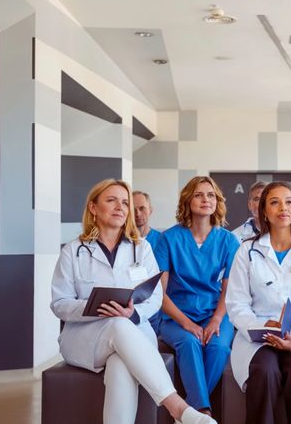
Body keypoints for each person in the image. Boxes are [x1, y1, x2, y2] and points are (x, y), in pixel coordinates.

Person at [50, 179, 216, 424]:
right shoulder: (73, 251)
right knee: (117, 324)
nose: (121, 207)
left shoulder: (142, 248)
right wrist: (96, 309)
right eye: (111, 200)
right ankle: (178, 409)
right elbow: (59, 303)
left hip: (135, 331)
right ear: (93, 208)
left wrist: (132, 313)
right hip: (84, 338)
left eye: (125, 202)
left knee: (120, 364)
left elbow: (155, 297)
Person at [226, 182, 291, 424]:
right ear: (264, 211)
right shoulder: (247, 251)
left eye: (289, 201)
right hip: (257, 335)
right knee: (264, 371)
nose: (283, 207)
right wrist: (262, 327)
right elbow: (237, 303)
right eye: (275, 202)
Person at [154, 176, 241, 417]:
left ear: (218, 202)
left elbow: (229, 288)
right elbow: (158, 293)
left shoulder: (228, 240)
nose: (206, 199)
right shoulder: (168, 239)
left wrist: (215, 320)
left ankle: (190, 413)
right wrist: (186, 323)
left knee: (219, 348)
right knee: (190, 342)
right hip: (176, 315)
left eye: (211, 195)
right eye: (199, 195)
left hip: (215, 312)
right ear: (187, 200)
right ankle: (203, 411)